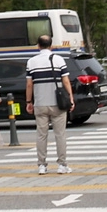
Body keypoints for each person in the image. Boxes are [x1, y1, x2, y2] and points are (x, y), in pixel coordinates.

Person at [25, 39, 74, 175]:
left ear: (38, 45)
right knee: (60, 135)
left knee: (41, 135)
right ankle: (62, 165)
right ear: (51, 46)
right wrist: (70, 97)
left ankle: (42, 165)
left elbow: (29, 84)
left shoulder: (31, 62)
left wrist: (29, 101)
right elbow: (65, 80)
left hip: (40, 104)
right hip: (57, 103)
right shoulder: (58, 60)